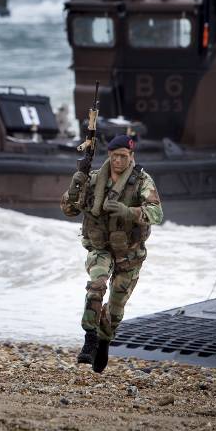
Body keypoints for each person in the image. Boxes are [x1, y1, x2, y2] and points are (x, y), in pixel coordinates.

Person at [61, 134, 163, 373]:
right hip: (100, 248)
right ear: (109, 155)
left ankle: (105, 340)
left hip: (130, 253)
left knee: (116, 305)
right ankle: (89, 338)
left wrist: (129, 212)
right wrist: (75, 187)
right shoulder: (94, 179)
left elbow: (157, 213)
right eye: (115, 156)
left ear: (131, 156)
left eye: (123, 156)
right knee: (96, 285)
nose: (119, 161)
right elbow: (69, 210)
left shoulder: (141, 181)